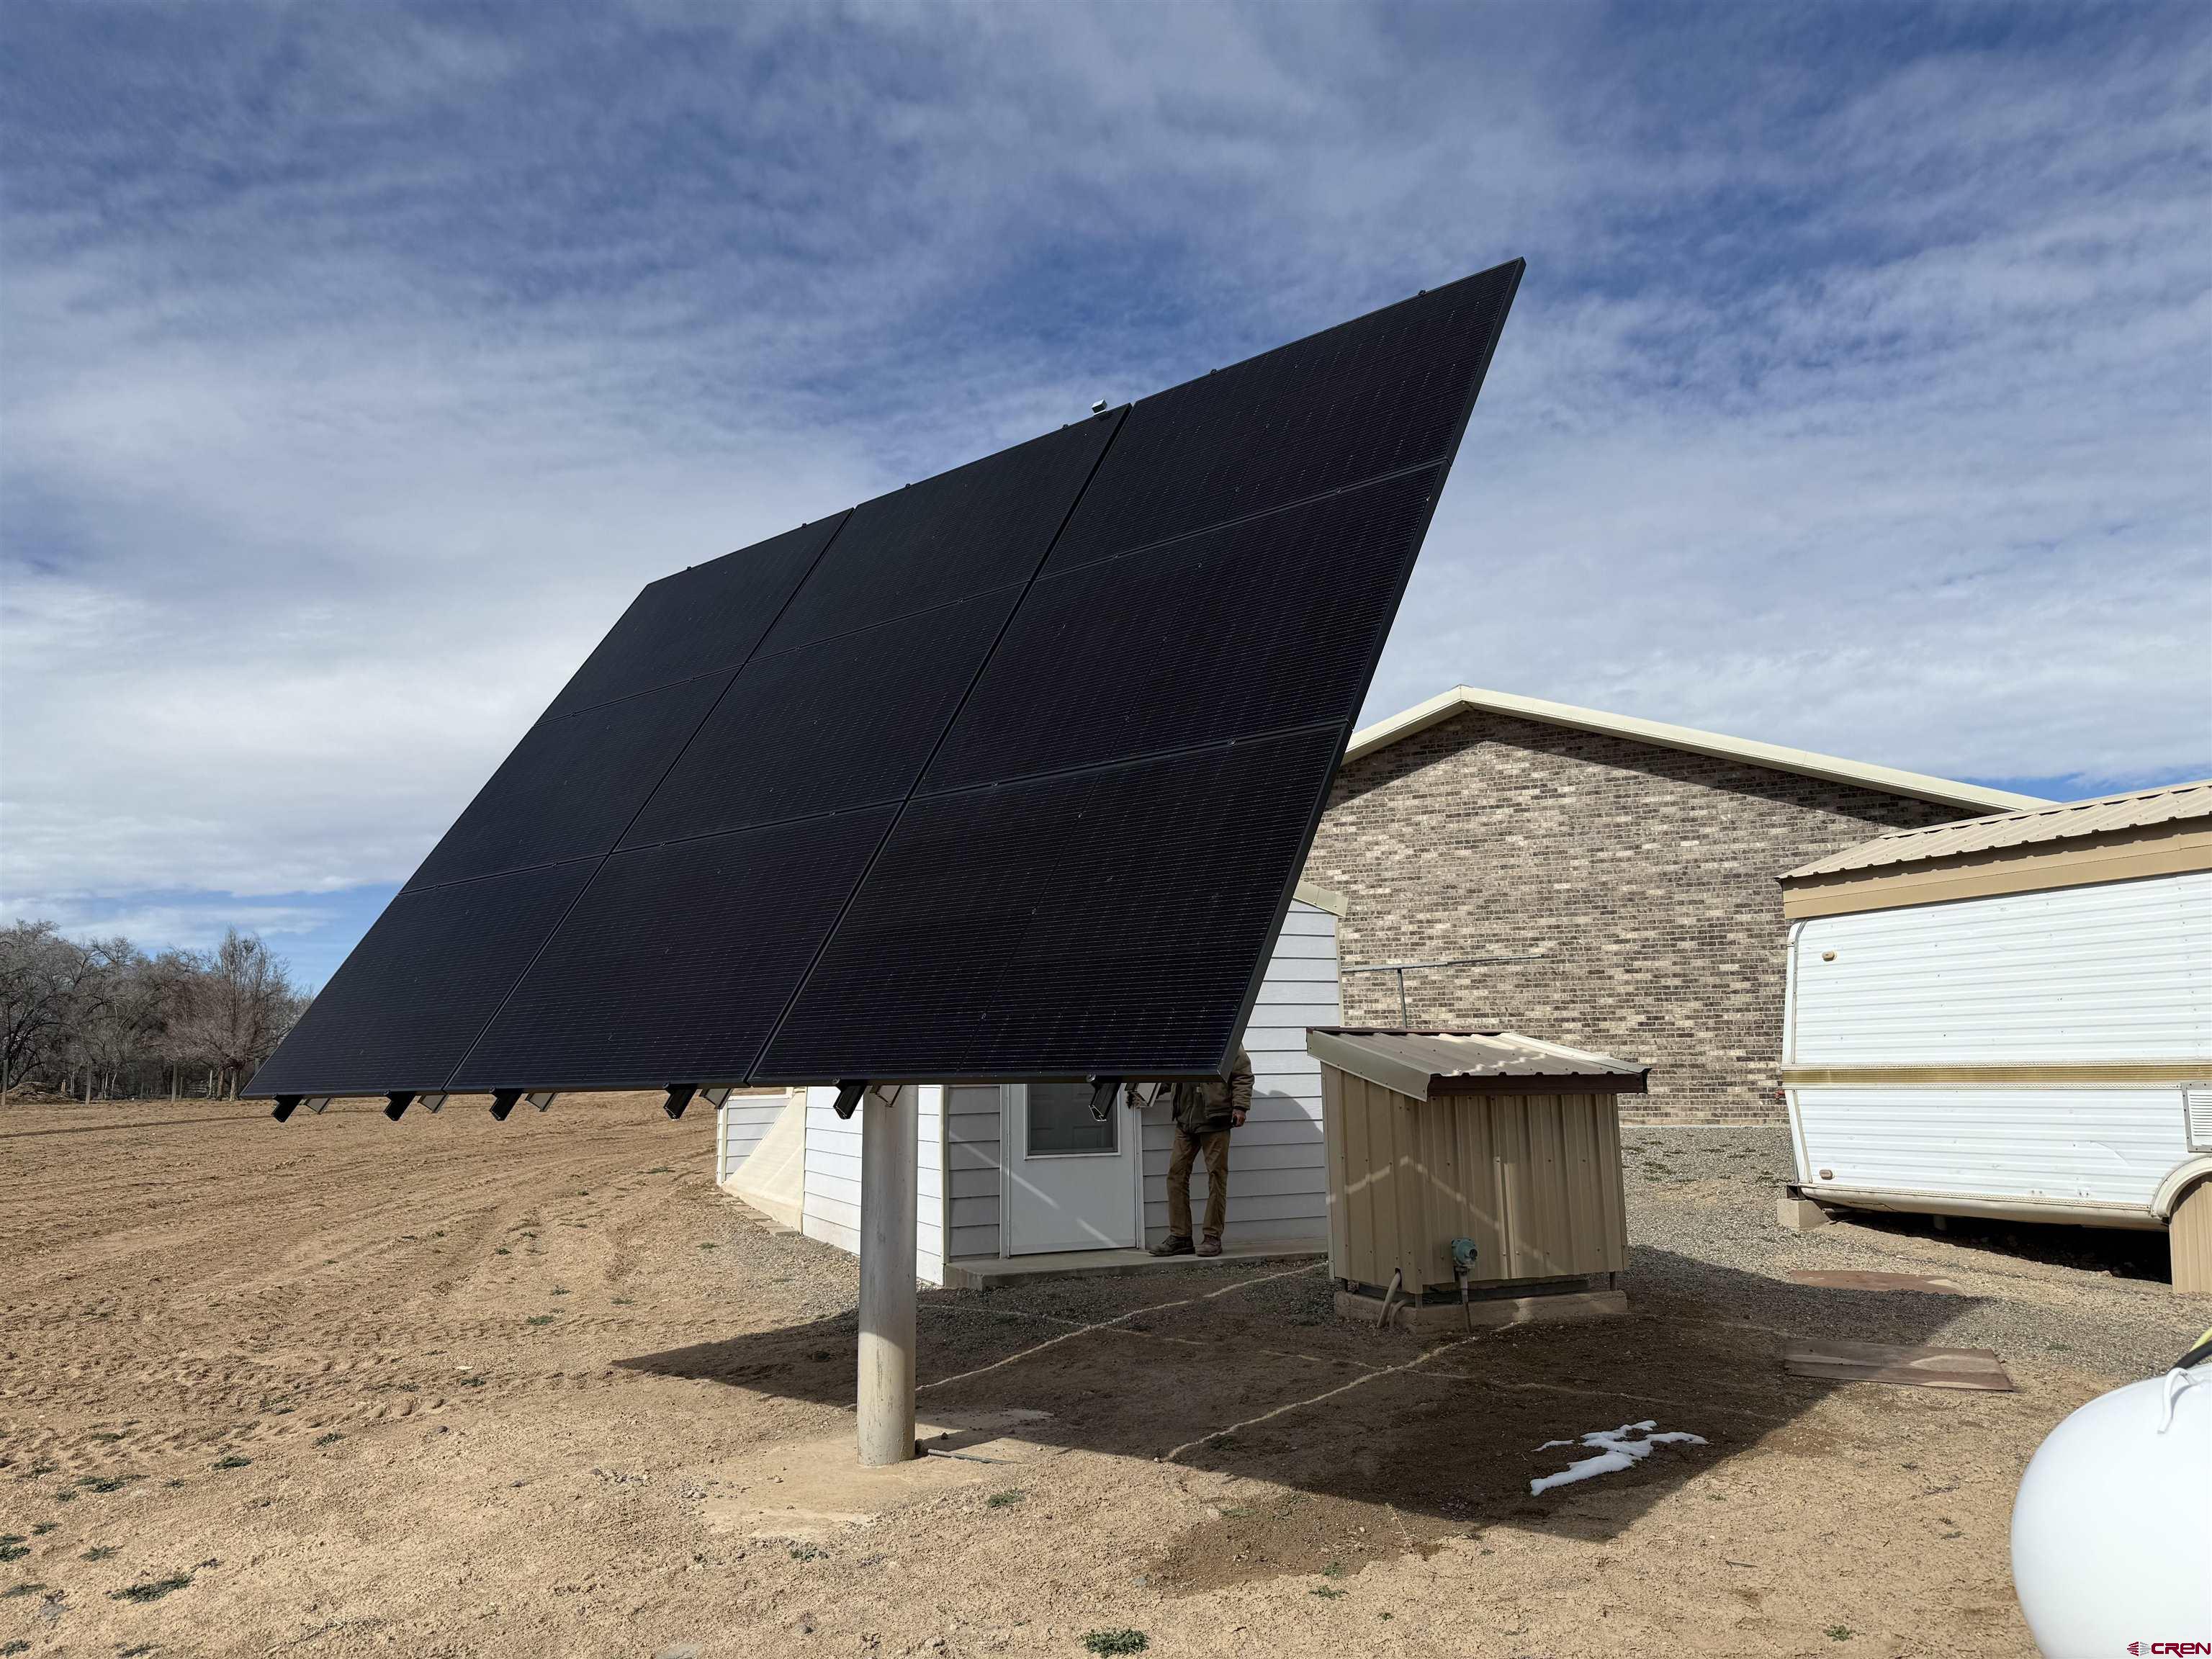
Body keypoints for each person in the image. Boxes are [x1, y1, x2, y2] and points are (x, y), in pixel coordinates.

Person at [1126, 1046, 1253, 1257]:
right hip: (1185, 1120)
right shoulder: (1183, 1039)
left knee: (1216, 1178)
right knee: (1176, 1176)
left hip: (1216, 1121)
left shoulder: (1227, 1037)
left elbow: (1242, 1074)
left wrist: (1240, 1107)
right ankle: (1181, 1237)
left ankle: (1212, 1238)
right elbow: (1168, 1077)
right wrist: (1144, 1092)